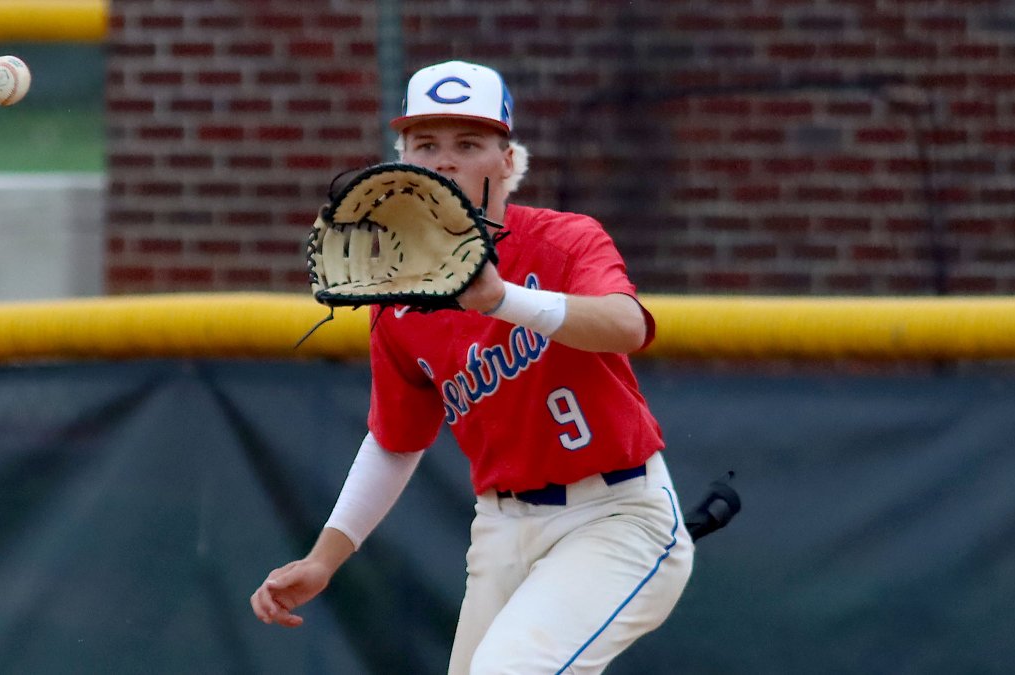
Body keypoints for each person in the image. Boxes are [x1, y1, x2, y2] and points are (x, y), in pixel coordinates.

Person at [251, 60, 694, 675]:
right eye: (425, 145)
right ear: (402, 163)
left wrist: (502, 299)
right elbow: (396, 440)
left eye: (468, 144)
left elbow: (628, 326)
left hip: (614, 515)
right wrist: (324, 559)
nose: (445, 162)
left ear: (507, 161)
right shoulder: (399, 301)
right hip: (501, 526)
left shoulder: (566, 240)